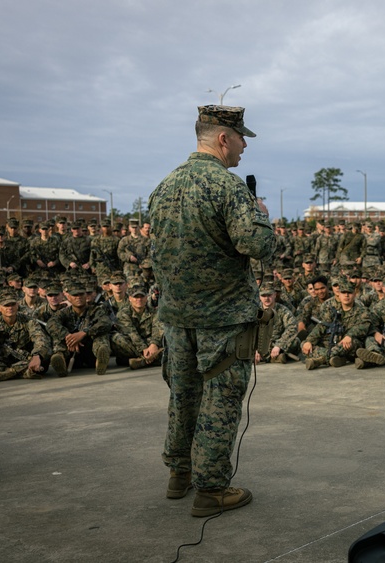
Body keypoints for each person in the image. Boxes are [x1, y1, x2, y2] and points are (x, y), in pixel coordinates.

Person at [149, 105, 276, 517]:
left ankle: (179, 473)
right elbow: (256, 246)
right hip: (222, 319)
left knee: (183, 396)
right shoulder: (227, 186)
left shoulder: (164, 186)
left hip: (177, 318)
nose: (244, 148)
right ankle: (211, 489)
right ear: (223, 138)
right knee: (219, 402)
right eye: (241, 139)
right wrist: (262, 220)